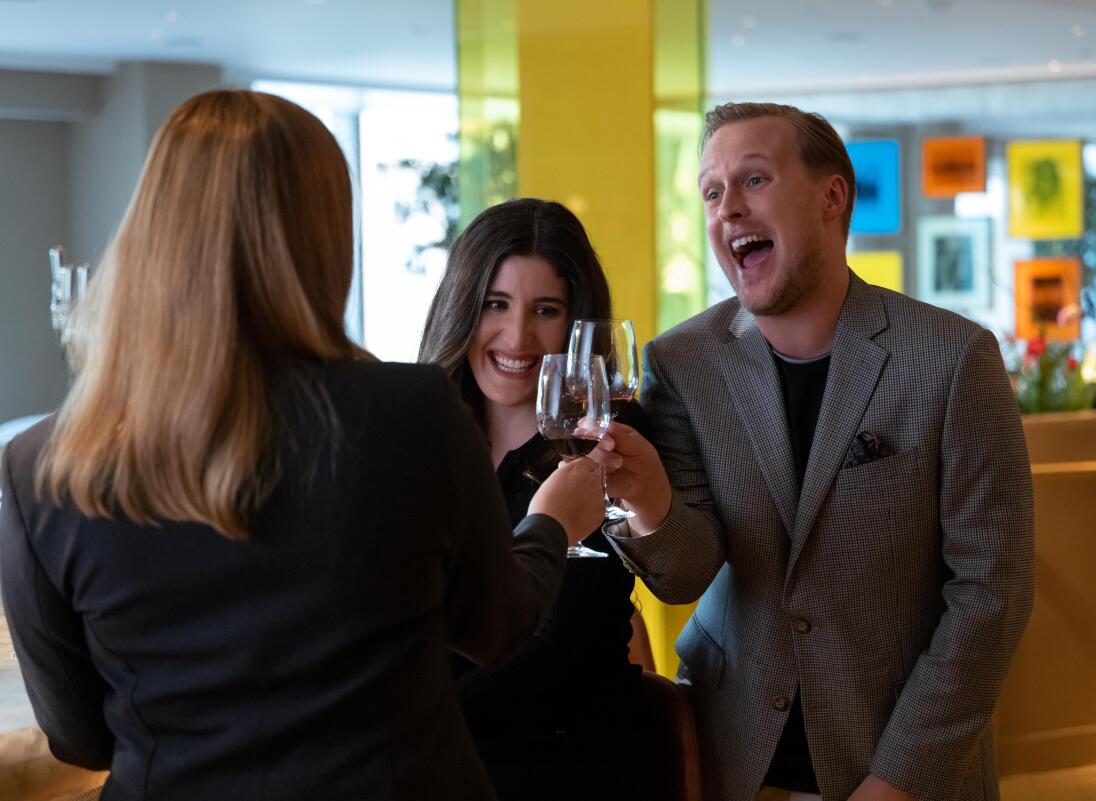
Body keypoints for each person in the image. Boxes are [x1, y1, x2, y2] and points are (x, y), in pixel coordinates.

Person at [0, 90, 604, 801]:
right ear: (321, 237)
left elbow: (81, 734)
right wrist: (553, 522)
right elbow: (497, 628)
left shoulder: (40, 466)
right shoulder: (410, 414)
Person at [596, 102, 1036, 801]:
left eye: (754, 180)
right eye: (712, 192)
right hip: (732, 760)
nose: (728, 208)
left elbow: (991, 595)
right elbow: (683, 574)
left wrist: (898, 779)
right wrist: (646, 502)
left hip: (901, 762)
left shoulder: (954, 359)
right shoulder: (680, 362)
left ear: (832, 197)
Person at [419, 197, 658, 801]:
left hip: (562, 762)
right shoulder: (418, 434)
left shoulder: (610, 445)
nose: (517, 336)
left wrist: (411, 723)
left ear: (577, 325)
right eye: (495, 304)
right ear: (460, 308)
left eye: (545, 310)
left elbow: (561, 654)